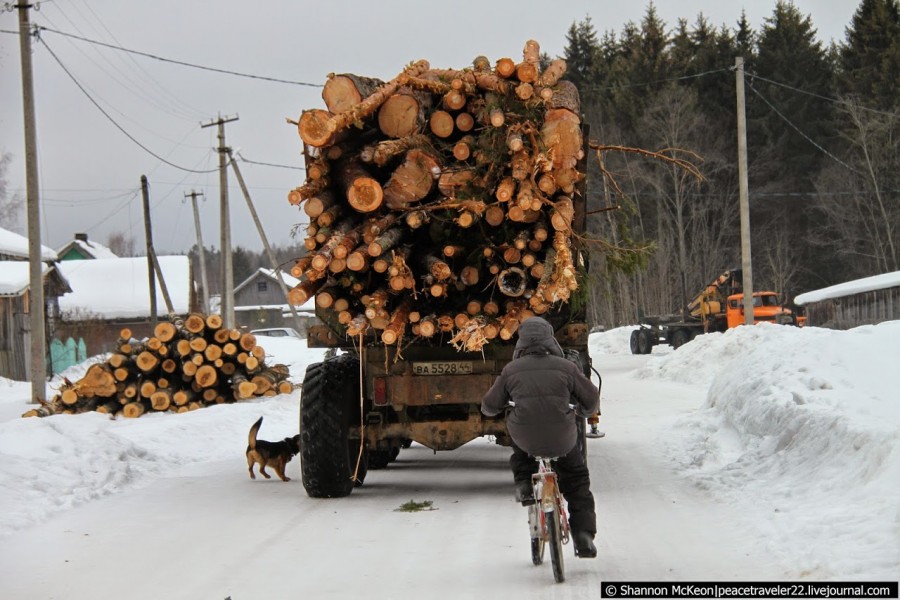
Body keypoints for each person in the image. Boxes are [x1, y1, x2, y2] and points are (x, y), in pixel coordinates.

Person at [481, 317, 600, 558]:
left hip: (526, 439)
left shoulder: (510, 370)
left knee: (520, 447)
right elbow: (591, 397)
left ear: (521, 343)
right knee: (577, 480)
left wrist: (493, 411)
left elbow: (490, 405)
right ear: (551, 339)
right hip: (563, 439)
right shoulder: (567, 367)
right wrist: (586, 412)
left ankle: (524, 484)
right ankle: (584, 536)